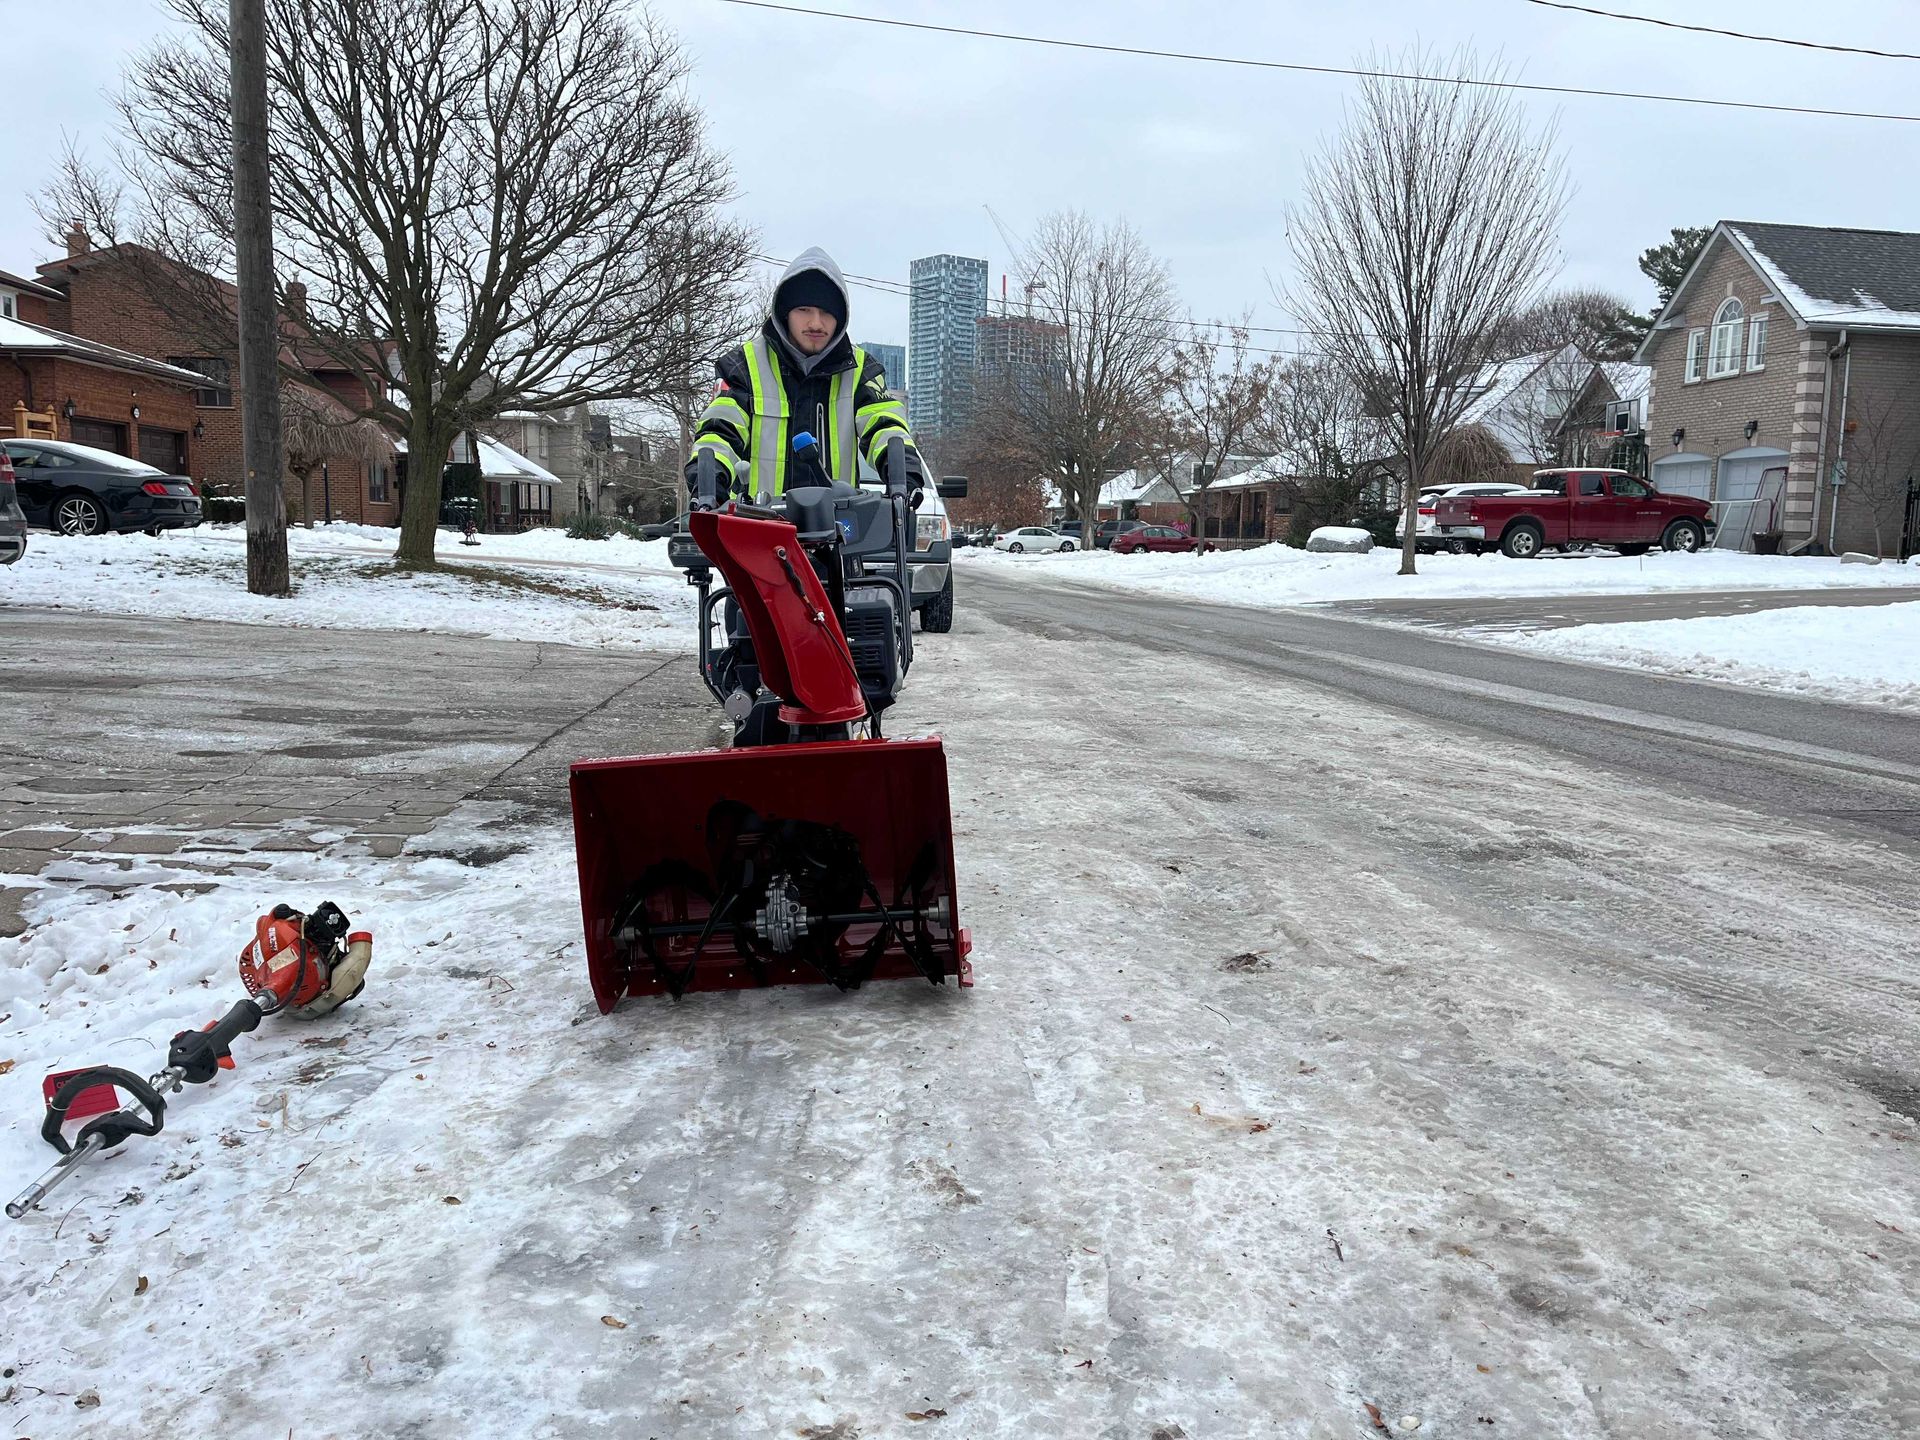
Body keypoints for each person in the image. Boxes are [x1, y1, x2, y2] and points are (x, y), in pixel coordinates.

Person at [687, 248, 922, 499]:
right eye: (804, 310)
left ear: (841, 318)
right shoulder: (742, 366)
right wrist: (709, 484)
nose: (816, 323)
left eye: (827, 312)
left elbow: (885, 427)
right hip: (758, 527)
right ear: (784, 312)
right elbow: (720, 431)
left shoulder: (861, 369)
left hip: (841, 527)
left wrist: (903, 477)